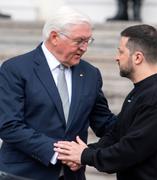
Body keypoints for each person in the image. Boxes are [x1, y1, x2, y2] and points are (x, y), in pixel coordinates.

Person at [0, 6, 117, 180]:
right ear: (54, 37)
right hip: (23, 174)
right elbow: (9, 125)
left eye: (88, 41)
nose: (84, 48)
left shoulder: (90, 74)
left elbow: (103, 123)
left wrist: (140, 113)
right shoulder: (16, 69)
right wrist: (61, 153)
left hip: (72, 175)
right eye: (79, 41)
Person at [55, 24, 157, 180]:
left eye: (121, 52)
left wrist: (85, 156)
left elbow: (130, 151)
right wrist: (84, 152)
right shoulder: (142, 90)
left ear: (137, 57)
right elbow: (117, 133)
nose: (117, 57)